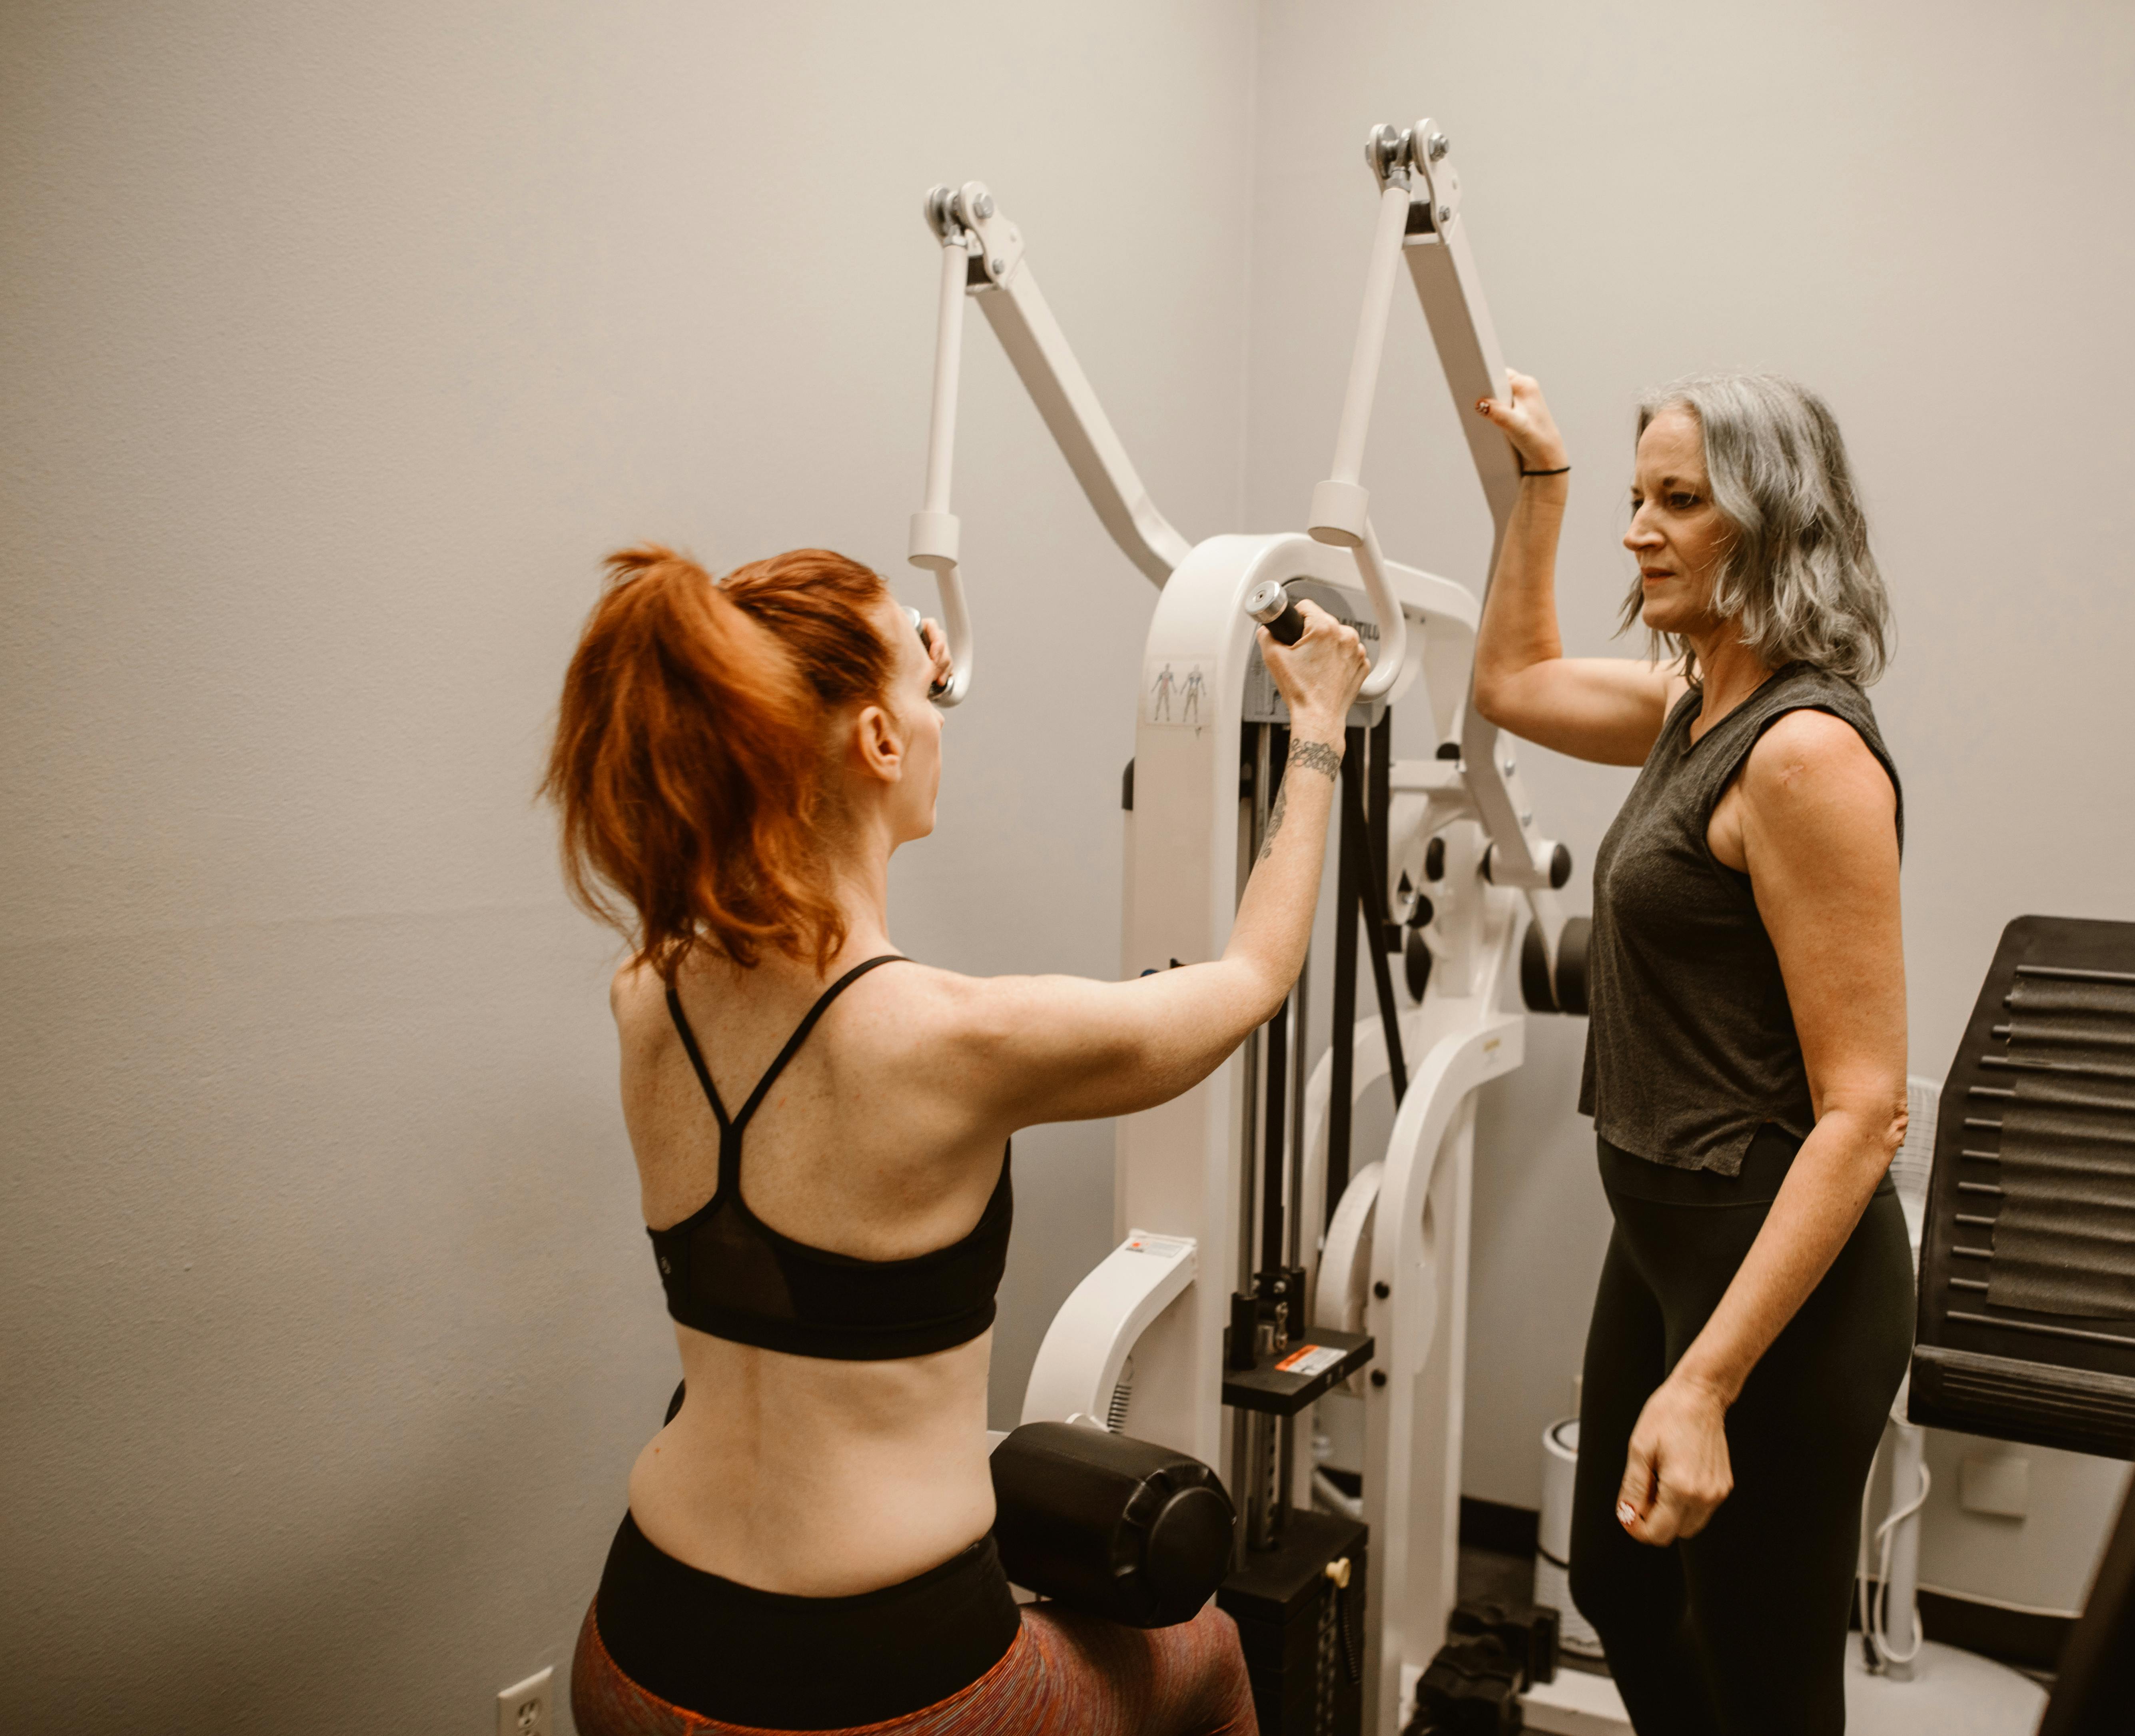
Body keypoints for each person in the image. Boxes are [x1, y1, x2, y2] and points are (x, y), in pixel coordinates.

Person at [542, 545, 1366, 1736]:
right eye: (922, 702)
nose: (940, 717)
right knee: (1209, 1653)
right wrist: (1318, 728)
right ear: (878, 743)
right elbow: (1252, 976)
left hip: (636, 1650)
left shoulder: (644, 992)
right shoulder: (958, 1039)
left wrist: (889, 672)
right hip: (882, 1681)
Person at [1473, 373, 1914, 1734]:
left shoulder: (1800, 755)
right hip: (1660, 1230)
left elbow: (1864, 1109)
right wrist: (1541, 489)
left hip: (1776, 1263)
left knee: (1762, 1663)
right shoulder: (1692, 709)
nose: (1639, 533)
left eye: (1678, 503)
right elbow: (1512, 681)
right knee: (1620, 1583)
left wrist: (1709, 1379)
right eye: (1633, 500)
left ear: (1772, 529)